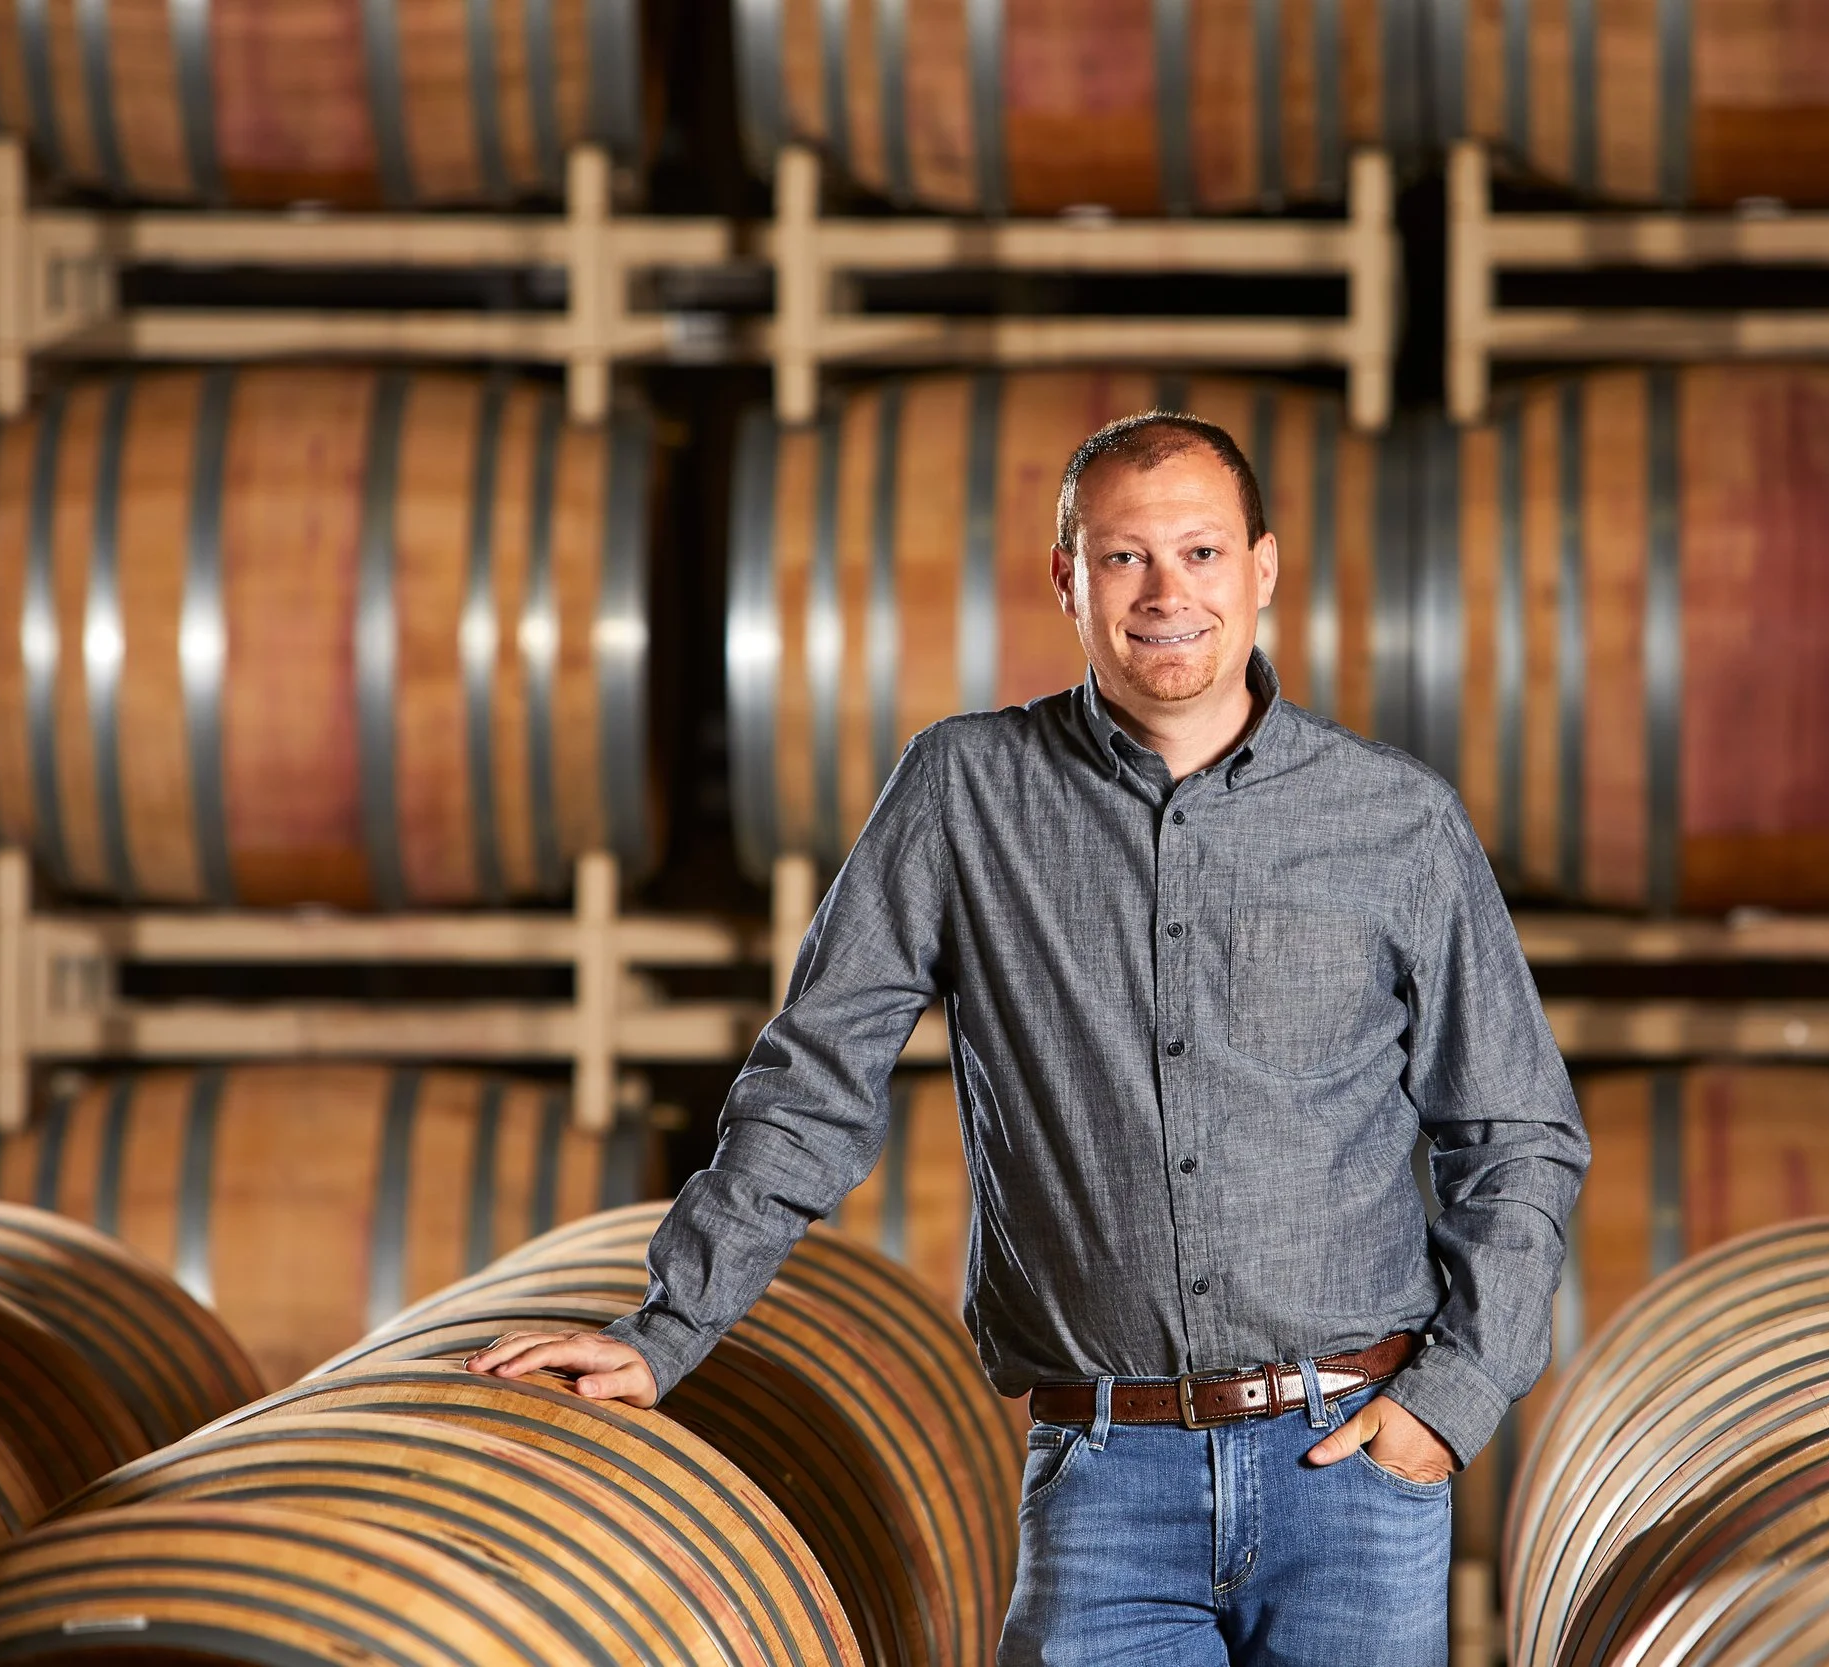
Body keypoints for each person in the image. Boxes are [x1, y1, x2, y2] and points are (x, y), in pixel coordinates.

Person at [468, 410, 1590, 1665]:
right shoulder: (960, 791)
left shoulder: (1397, 820)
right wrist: (663, 1332)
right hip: (1105, 1481)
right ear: (1067, 577)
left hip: (1355, 1467)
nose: (1168, 592)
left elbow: (1520, 1135)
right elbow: (812, 1083)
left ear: (1263, 570)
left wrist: (1447, 1404)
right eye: (1123, 557)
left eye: (1203, 553)